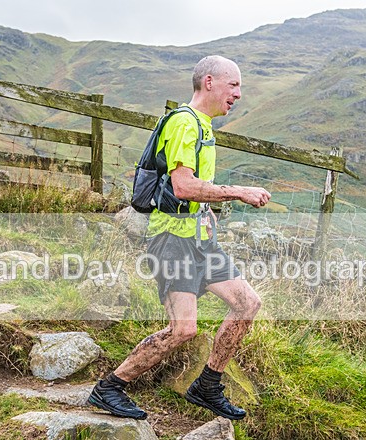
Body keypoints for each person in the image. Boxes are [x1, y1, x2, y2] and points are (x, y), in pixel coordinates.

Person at [88, 55, 271, 421]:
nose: (238, 94)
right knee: (183, 329)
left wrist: (207, 218)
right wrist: (237, 191)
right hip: (172, 239)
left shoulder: (203, 125)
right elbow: (183, 186)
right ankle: (109, 388)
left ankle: (207, 386)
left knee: (247, 303)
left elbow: (191, 192)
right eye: (233, 85)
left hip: (200, 240)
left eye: (240, 87)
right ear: (209, 82)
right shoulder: (185, 124)